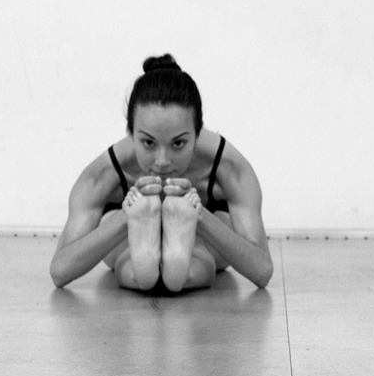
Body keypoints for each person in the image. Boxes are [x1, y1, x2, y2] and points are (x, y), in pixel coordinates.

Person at [49, 55, 272, 292]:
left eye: (177, 144)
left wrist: (201, 216)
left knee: (215, 235)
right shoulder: (103, 174)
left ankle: (158, 267)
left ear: (198, 132)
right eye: (148, 143)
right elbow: (60, 271)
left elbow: (262, 270)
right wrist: (125, 217)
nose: (162, 161)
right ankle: (164, 266)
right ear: (130, 132)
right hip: (130, 244)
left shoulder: (228, 168)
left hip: (203, 245)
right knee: (120, 245)